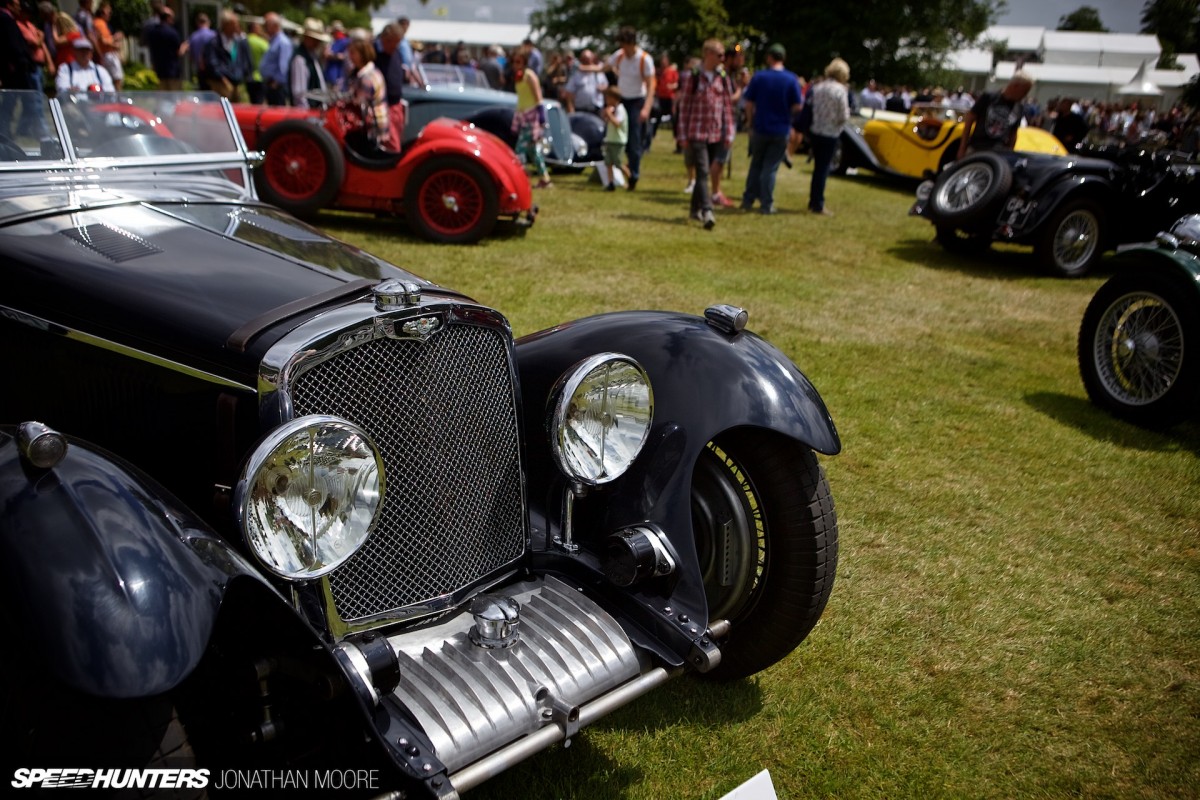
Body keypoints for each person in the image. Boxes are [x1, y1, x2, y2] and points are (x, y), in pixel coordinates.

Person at [675, 39, 736, 230]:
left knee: (705, 170)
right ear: (708, 54)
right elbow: (684, 107)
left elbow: (727, 106)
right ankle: (707, 210)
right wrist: (682, 134)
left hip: (715, 133)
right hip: (697, 131)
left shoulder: (723, 77)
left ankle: (694, 209)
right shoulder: (692, 76)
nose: (723, 58)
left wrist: (729, 132)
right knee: (702, 171)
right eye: (719, 54)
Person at [584, 26, 654, 190]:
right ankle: (622, 170)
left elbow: (651, 86)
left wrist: (646, 108)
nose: (622, 48)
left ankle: (634, 175)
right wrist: (587, 68)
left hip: (637, 101)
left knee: (634, 140)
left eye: (624, 44)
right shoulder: (620, 56)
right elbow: (604, 67)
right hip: (622, 100)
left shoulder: (644, 59)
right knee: (619, 136)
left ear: (631, 43)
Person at [739, 43, 801, 214]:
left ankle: (748, 200)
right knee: (770, 168)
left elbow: (749, 103)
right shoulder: (791, 79)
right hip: (780, 129)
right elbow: (797, 106)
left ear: (769, 57)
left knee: (756, 164)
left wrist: (750, 124)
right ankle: (766, 204)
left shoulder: (759, 77)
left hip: (760, 127)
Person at [956, 71, 1034, 159]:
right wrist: (962, 148)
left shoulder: (1019, 107)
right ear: (1015, 86)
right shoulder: (989, 97)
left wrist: (1009, 154)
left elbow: (1013, 134)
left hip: (999, 154)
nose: (1025, 95)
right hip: (977, 148)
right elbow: (969, 119)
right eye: (1025, 91)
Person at [807, 57, 850, 216]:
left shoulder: (818, 87)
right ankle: (817, 203)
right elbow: (844, 115)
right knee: (823, 168)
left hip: (816, 131)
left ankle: (813, 200)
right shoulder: (840, 90)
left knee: (817, 167)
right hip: (830, 133)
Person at [510, 44, 551, 188]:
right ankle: (545, 178)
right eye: (514, 62)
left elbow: (538, 97)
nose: (515, 65)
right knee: (533, 151)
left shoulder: (529, 75)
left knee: (519, 149)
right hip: (522, 115)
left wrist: (541, 117)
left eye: (518, 62)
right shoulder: (518, 76)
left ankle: (521, 178)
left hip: (531, 116)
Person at [346, 38, 391, 153]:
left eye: (353, 53)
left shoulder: (367, 77)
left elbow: (359, 102)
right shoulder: (369, 71)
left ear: (362, 54)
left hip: (372, 124)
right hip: (375, 120)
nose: (350, 56)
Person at [203, 11, 251, 101]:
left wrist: (242, 76)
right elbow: (212, 63)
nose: (236, 27)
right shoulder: (214, 43)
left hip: (236, 84)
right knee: (222, 110)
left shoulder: (238, 42)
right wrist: (223, 78)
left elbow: (243, 61)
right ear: (225, 25)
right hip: (220, 84)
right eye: (234, 24)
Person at [375, 22, 406, 149]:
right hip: (384, 108)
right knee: (392, 146)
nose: (396, 46)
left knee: (396, 141)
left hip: (396, 106)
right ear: (385, 40)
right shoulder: (374, 54)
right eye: (394, 42)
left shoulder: (396, 53)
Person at [290, 18, 329, 109]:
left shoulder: (312, 56)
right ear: (306, 38)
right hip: (308, 114)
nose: (318, 43)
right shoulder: (300, 59)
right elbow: (299, 94)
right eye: (314, 39)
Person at [146, 5, 182, 90]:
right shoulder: (172, 33)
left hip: (159, 71)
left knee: (162, 98)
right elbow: (178, 51)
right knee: (174, 98)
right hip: (172, 71)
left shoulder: (153, 32)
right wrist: (185, 46)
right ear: (168, 18)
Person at [259, 12, 291, 106]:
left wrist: (276, 83)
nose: (264, 28)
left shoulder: (282, 42)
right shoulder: (274, 40)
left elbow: (284, 65)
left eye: (266, 25)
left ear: (275, 25)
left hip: (276, 86)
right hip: (271, 84)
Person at [601, 85, 629, 191]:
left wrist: (609, 114)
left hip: (618, 141)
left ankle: (630, 178)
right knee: (608, 163)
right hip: (610, 139)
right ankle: (610, 183)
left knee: (618, 164)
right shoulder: (612, 109)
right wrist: (606, 115)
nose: (606, 100)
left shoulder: (621, 109)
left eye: (608, 98)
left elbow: (617, 123)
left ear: (614, 98)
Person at [561, 49, 606, 114]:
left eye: (588, 59)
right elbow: (569, 94)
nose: (586, 61)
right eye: (584, 59)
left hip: (596, 109)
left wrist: (602, 87)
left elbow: (606, 85)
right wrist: (571, 110)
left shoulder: (599, 73)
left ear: (592, 59)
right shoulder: (576, 74)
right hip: (580, 110)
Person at [92, 1, 121, 90]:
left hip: (107, 55)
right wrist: (115, 41)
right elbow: (103, 41)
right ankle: (117, 100)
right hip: (107, 55)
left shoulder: (101, 23)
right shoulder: (99, 23)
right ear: (103, 11)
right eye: (109, 11)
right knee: (116, 79)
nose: (110, 14)